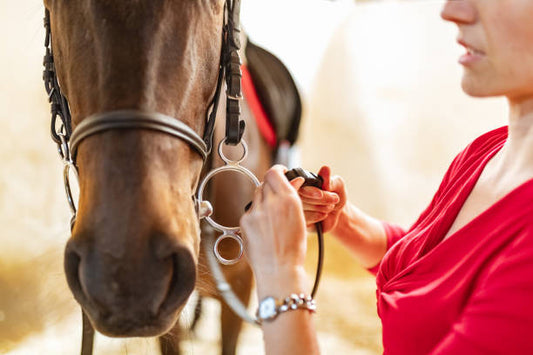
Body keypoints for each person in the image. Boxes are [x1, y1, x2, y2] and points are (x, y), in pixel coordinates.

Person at [240, 0, 533, 354]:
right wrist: (345, 222)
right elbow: (429, 269)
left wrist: (280, 275)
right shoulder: (483, 152)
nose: (452, 11)